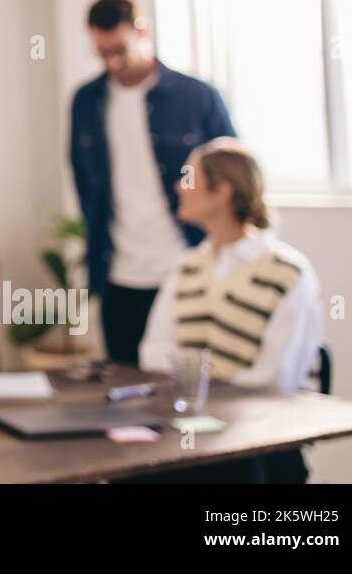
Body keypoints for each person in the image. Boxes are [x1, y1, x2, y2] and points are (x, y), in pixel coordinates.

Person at [137, 138, 324, 483]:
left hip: (262, 441)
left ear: (221, 191)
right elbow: (153, 353)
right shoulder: (186, 268)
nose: (179, 187)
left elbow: (273, 379)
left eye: (189, 178)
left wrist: (196, 384)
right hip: (193, 435)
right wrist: (211, 385)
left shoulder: (287, 273)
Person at [69, 0, 236, 365]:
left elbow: (233, 173)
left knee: (191, 385)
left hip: (187, 266)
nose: (112, 63)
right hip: (119, 275)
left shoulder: (197, 97)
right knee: (126, 393)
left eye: (119, 50)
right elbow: (83, 181)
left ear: (142, 30)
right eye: (101, 53)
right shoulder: (86, 102)